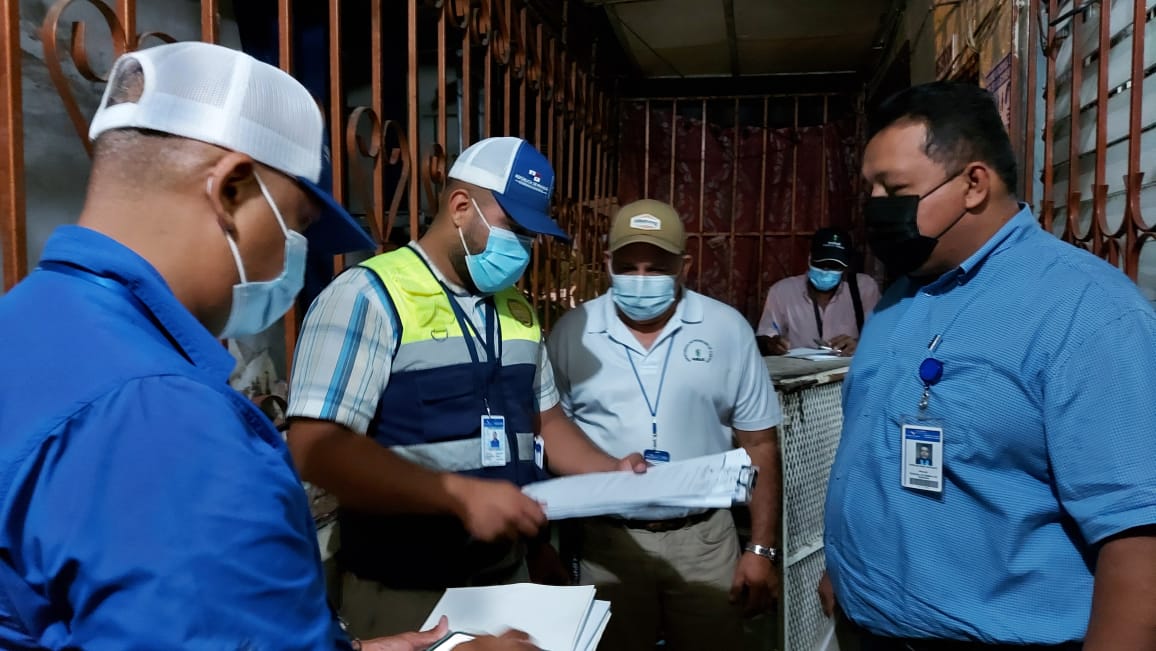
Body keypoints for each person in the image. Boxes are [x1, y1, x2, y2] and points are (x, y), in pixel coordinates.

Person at [0, 42, 538, 651]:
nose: (292, 259)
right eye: (297, 226)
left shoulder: (29, 326)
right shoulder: (163, 417)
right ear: (231, 189)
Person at [820, 81, 1156, 650]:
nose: (876, 207)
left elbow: (1137, 539)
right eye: (870, 190)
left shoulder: (1086, 311)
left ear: (974, 184)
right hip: (868, 626)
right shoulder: (901, 296)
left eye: (895, 190)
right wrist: (846, 573)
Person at [286, 136, 646, 639]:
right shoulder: (367, 296)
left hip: (507, 579)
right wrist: (458, 496)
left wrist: (611, 471)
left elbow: (546, 421)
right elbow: (315, 447)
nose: (523, 247)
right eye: (514, 228)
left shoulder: (518, 311)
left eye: (531, 235)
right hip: (406, 595)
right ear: (460, 207)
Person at [546, 199, 783, 650]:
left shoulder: (726, 329)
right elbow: (553, 432)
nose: (640, 279)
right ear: (607, 262)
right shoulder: (574, 331)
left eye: (656, 268)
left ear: (684, 267)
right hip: (608, 544)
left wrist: (761, 549)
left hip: (704, 541)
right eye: (627, 266)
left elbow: (760, 445)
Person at [756, 227, 880, 356]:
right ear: (810, 259)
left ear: (845, 267)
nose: (826, 272)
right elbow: (766, 336)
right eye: (820, 264)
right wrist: (771, 344)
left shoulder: (864, 288)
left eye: (834, 266)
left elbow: (881, 339)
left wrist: (859, 345)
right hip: (799, 367)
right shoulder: (782, 291)